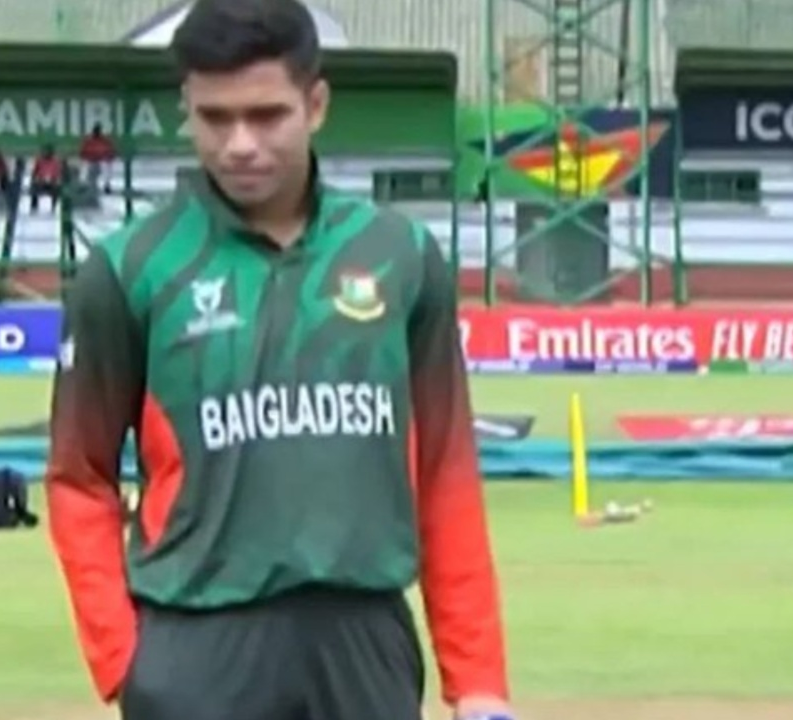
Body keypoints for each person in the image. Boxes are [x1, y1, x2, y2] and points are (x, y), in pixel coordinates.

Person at [44, 1, 514, 719]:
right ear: (186, 109)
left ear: (316, 103)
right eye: (214, 117)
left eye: (266, 115)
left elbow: (445, 469)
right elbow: (80, 478)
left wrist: (477, 678)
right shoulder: (128, 269)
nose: (239, 144)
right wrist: (124, 660)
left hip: (364, 643)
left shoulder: (399, 256)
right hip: (195, 645)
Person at [78, 124, 118, 194]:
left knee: (106, 166)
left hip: (102, 159)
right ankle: (83, 185)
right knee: (84, 165)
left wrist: (109, 157)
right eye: (95, 131)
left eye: (98, 131)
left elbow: (111, 151)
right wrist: (87, 156)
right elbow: (82, 152)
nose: (96, 133)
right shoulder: (88, 140)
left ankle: (107, 185)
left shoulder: (105, 140)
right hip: (91, 159)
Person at [28, 144, 62, 213]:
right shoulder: (39, 161)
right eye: (44, 152)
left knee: (56, 188)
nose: (46, 154)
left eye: (47, 152)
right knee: (34, 187)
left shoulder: (55, 162)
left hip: (52, 181)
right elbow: (35, 172)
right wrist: (36, 178)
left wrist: (53, 179)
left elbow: (58, 173)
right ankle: (34, 206)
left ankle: (54, 206)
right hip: (41, 181)